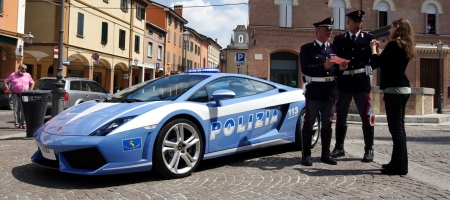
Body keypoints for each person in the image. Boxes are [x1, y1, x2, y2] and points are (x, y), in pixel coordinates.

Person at [369, 18, 415, 175]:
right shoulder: (405, 45)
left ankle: (400, 167)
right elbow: (388, 63)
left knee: (396, 130)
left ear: (398, 28)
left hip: (394, 91)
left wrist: (374, 48)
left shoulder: (394, 44)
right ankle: (396, 163)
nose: (389, 31)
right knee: (399, 129)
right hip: (403, 89)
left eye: (391, 27)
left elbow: (375, 63)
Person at [299, 17, 347, 166]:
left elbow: (335, 73)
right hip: (315, 91)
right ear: (317, 31)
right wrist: (323, 66)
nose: (329, 32)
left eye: (330, 29)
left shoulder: (333, 50)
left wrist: (340, 70)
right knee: (309, 122)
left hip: (330, 90)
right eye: (326, 29)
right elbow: (305, 69)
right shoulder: (307, 48)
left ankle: (325, 154)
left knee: (328, 123)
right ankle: (306, 154)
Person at [331, 10, 376, 162]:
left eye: (360, 21)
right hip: (344, 82)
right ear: (348, 22)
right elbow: (334, 60)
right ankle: (339, 147)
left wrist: (375, 49)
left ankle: (369, 149)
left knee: (366, 116)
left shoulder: (368, 38)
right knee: (341, 115)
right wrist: (338, 68)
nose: (358, 24)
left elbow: (374, 62)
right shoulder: (339, 39)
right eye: (355, 21)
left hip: (361, 82)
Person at [4, 64, 35, 129]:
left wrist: (30, 90)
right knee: (16, 110)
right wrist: (9, 90)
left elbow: (32, 82)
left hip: (25, 95)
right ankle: (17, 124)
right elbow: (5, 81)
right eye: (22, 68)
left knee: (24, 110)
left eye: (25, 69)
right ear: (19, 68)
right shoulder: (13, 75)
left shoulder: (28, 75)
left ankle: (24, 124)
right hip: (16, 94)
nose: (24, 70)